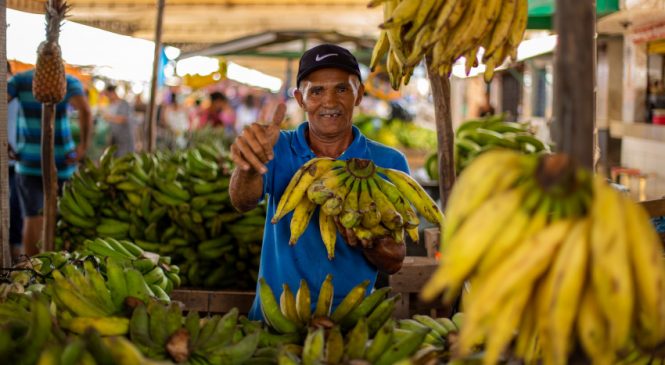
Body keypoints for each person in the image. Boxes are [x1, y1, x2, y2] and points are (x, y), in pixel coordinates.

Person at [229, 44, 409, 321]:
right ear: (300, 99)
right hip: (276, 319)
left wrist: (368, 239)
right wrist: (249, 166)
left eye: (341, 89)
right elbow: (242, 202)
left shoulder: (389, 163)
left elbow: (395, 261)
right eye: (316, 91)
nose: (329, 102)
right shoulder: (278, 147)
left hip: (351, 323)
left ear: (359, 94)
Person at [8, 69, 92, 256]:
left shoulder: (20, 80)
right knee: (61, 221)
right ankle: (57, 269)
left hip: (28, 160)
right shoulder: (69, 80)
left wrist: (5, 143)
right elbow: (85, 110)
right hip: (62, 159)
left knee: (32, 219)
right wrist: (83, 146)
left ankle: (32, 272)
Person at [7, 62, 23, 259]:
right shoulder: (15, 91)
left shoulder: (14, 89)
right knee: (15, 205)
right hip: (15, 156)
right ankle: (14, 248)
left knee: (15, 205)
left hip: (14, 156)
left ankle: (14, 249)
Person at [102, 85, 134, 157]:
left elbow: (123, 119)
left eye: (108, 95)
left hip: (124, 138)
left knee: (124, 157)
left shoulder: (124, 104)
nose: (107, 97)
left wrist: (109, 118)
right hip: (115, 138)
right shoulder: (111, 105)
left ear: (113, 93)